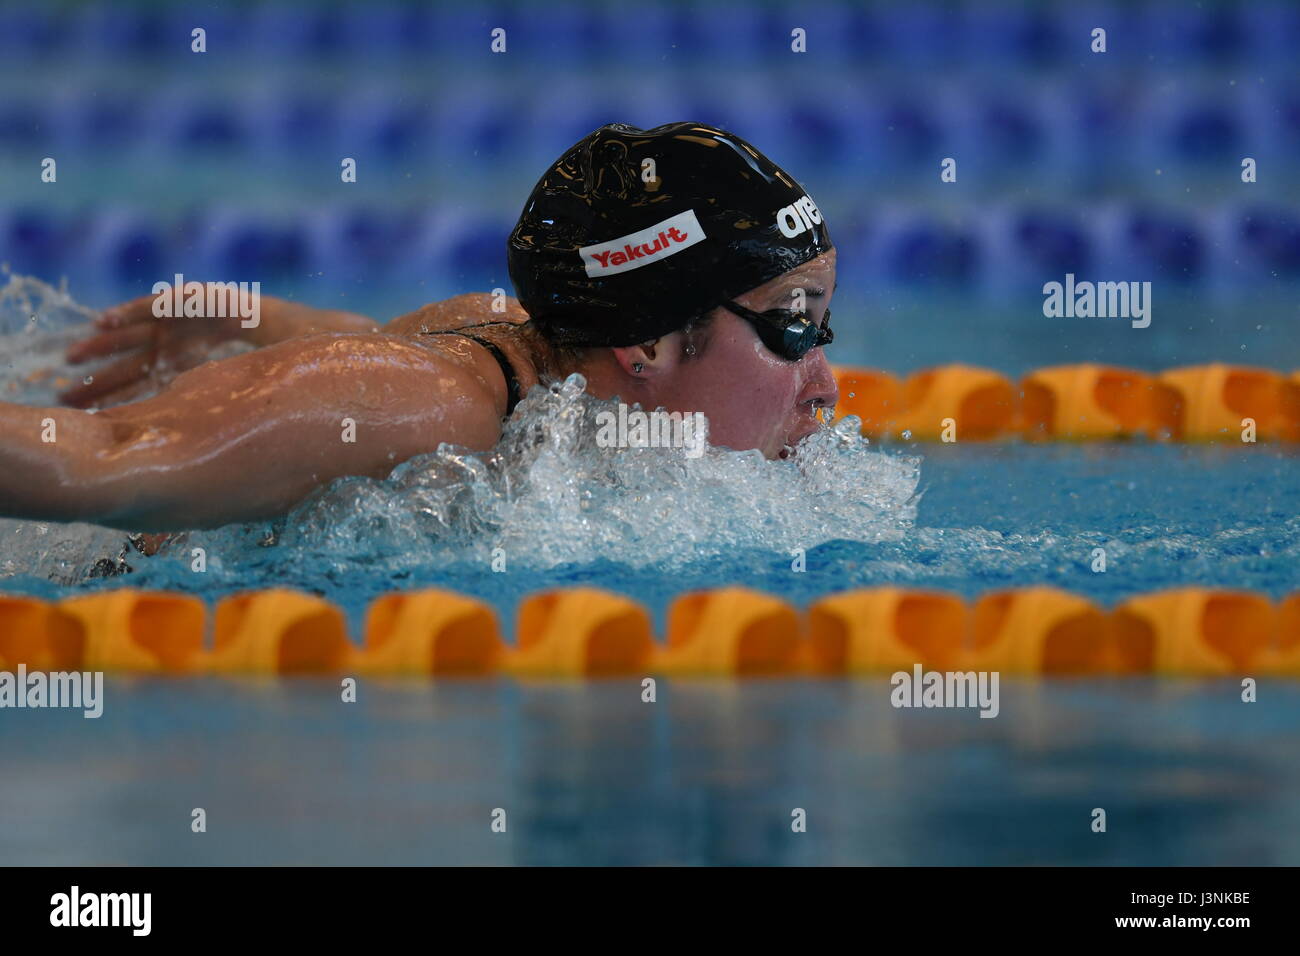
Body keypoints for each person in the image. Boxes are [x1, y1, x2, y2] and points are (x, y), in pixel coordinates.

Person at [0, 122, 838, 532]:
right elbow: (98, 462)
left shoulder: (528, 366)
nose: (825, 385)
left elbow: (366, 353)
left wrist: (253, 319)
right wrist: (269, 364)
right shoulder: (437, 409)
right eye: (793, 326)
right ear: (647, 341)